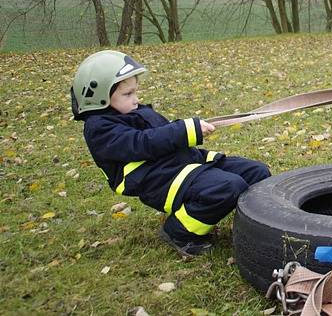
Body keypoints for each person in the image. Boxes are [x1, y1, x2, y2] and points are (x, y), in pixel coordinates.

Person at [71, 50, 271, 257]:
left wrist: (190, 129)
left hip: (183, 163)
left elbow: (161, 133)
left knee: (257, 173)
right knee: (228, 187)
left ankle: (253, 226)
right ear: (99, 95)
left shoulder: (132, 110)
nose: (136, 99)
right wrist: (185, 131)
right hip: (156, 179)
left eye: (135, 92)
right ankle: (179, 232)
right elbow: (142, 143)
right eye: (128, 94)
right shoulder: (99, 129)